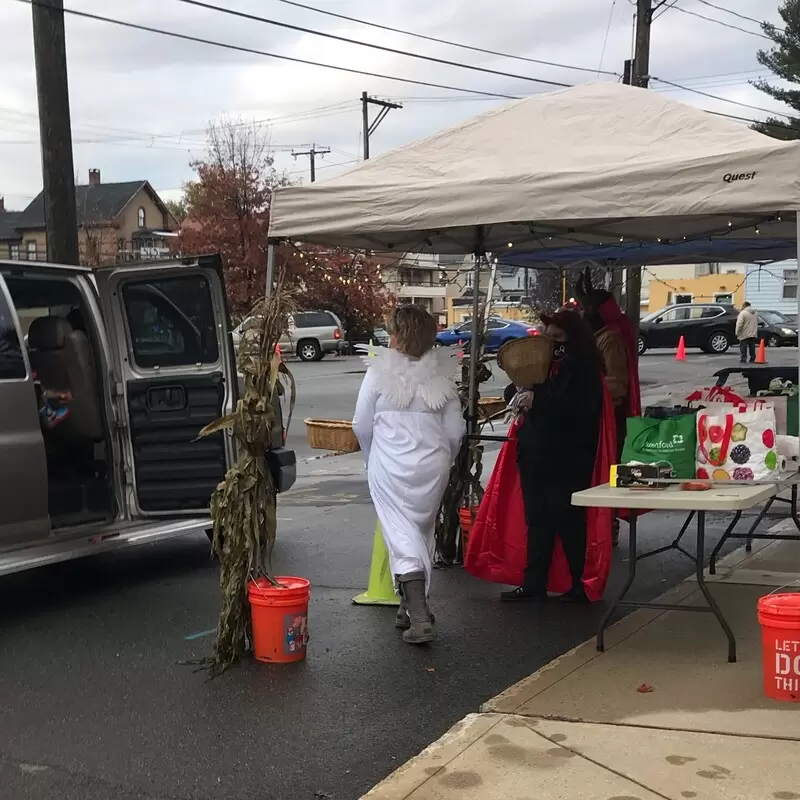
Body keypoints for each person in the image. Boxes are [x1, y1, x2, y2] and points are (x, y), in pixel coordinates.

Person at [465, 310, 616, 603]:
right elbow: (519, 386)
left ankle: (578, 584)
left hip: (568, 456)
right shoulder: (543, 362)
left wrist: (540, 398)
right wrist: (519, 390)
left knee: (568, 519)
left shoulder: (583, 367)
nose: (552, 342)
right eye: (548, 335)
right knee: (537, 520)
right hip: (535, 451)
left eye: (558, 336)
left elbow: (580, 409)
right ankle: (534, 583)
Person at [352, 305, 464, 644]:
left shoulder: (378, 372)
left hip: (390, 464)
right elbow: (456, 432)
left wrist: (371, 460)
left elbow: (361, 424)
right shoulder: (443, 375)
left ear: (396, 336)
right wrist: (446, 460)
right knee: (421, 531)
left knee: (400, 534)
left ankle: (419, 616)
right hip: (434, 464)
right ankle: (409, 606)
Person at [576, 268, 642, 545]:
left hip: (608, 418)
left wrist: (593, 399)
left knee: (606, 471)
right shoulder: (600, 336)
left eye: (585, 309)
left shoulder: (610, 339)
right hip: (597, 416)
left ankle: (607, 528)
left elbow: (617, 384)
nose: (581, 314)